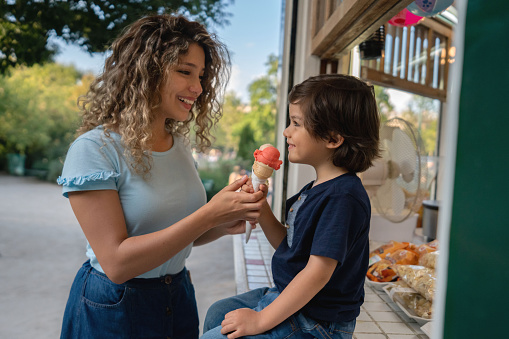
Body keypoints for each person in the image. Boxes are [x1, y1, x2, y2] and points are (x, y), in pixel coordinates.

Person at [56, 14, 265, 339]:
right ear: (146, 71)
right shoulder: (93, 149)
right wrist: (209, 214)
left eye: (201, 76)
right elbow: (117, 264)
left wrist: (222, 224)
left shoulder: (178, 144)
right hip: (115, 307)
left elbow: (176, 234)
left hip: (178, 296)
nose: (197, 88)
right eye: (185, 72)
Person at [201, 74, 381, 339]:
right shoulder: (316, 190)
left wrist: (261, 320)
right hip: (294, 299)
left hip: (318, 322)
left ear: (332, 138)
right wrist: (262, 210)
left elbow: (317, 273)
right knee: (219, 312)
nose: (286, 131)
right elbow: (292, 248)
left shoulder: (344, 197)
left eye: (296, 123)